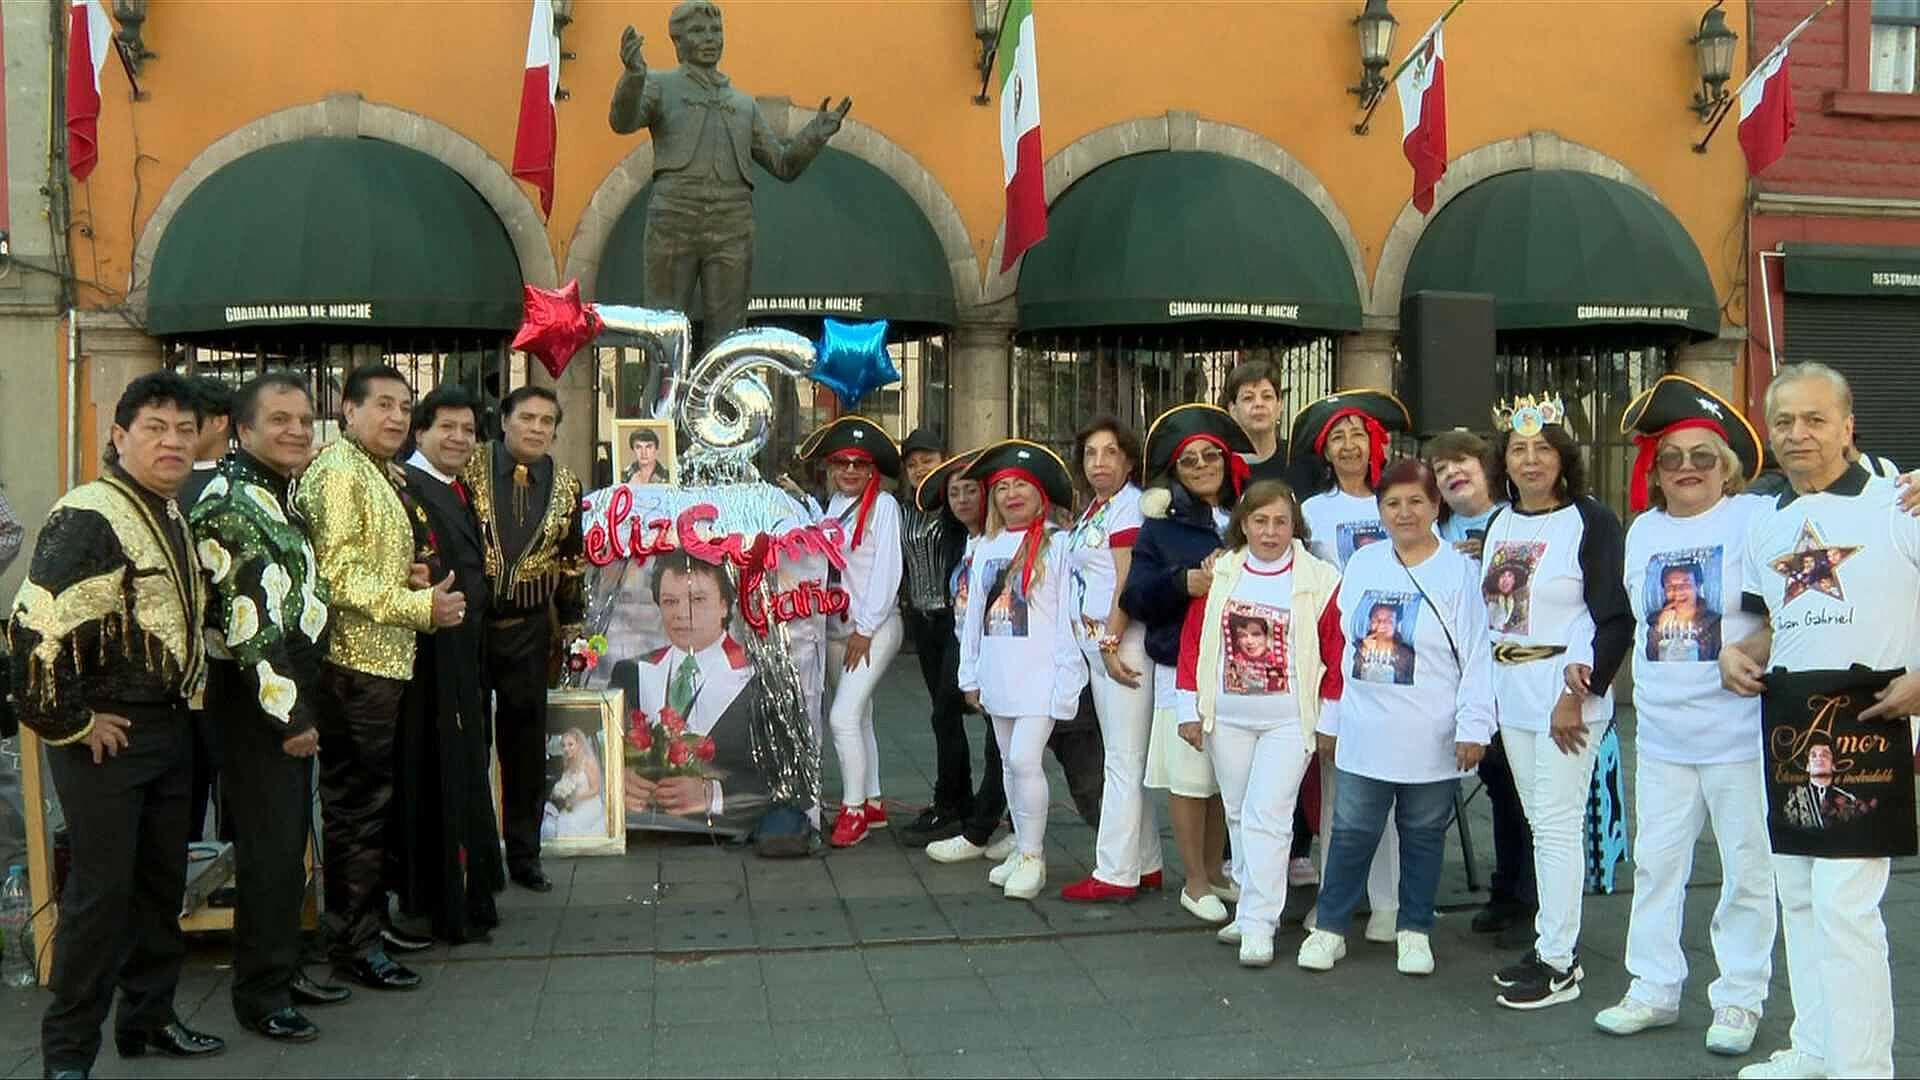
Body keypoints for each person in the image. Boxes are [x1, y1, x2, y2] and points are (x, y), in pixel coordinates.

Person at [7, 373, 224, 1074]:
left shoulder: (168, 510)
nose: (172, 441)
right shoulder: (89, 513)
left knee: (163, 885)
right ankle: (67, 1052)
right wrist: (71, 721)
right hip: (109, 733)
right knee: (100, 895)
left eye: (184, 429)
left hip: (168, 726)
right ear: (119, 435)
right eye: (155, 427)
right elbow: (33, 628)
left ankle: (148, 1019)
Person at [1721, 362, 1920, 1080]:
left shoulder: (1901, 502)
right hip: (1791, 727)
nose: (1798, 434)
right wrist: (1737, 656)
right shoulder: (1767, 522)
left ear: (1847, 424)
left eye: (1814, 419)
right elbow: (1780, 624)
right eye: (1784, 422)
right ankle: (1814, 1049)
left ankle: (1863, 1069)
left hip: (1873, 725)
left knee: (1844, 907)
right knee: (1800, 897)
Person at [1593, 375, 1777, 1053]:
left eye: (1703, 457)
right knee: (1657, 863)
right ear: (1656, 470)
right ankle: (1653, 987)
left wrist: (1749, 648)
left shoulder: (1754, 521)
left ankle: (1739, 998)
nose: (1689, 469)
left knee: (1748, 870)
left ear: (1726, 468)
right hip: (1665, 731)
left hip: (1737, 731)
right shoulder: (1643, 531)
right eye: (1674, 458)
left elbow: (1792, 616)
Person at [190, 373, 355, 1044]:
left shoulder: (272, 493)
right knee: (270, 850)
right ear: (243, 428)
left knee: (289, 848)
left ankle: (281, 970)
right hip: (260, 696)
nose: (296, 429)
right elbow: (249, 626)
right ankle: (260, 994)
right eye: (279, 419)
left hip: (287, 684)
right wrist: (290, 719)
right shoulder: (233, 503)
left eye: (304, 419)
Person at [296, 364, 465, 991]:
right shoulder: (340, 473)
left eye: (403, 406)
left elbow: (371, 560)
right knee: (356, 811)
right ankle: (352, 944)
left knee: (372, 807)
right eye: (383, 406)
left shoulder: (373, 470)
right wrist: (420, 606)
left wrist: (411, 577)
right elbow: (336, 578)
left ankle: (366, 923)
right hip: (352, 665)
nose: (395, 418)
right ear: (348, 409)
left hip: (382, 661)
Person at [1298, 459, 1494, 975]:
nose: (1404, 512)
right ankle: (1330, 927)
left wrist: (1474, 727)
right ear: (1379, 509)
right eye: (1392, 503)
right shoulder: (1363, 565)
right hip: (1367, 727)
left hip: (1431, 729)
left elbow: (1477, 655)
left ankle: (1414, 929)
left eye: (1416, 502)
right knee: (1352, 829)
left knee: (1424, 832)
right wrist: (1333, 718)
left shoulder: (1459, 571)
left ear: (1436, 506)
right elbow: (1344, 648)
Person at [1479, 393, 1633, 1011]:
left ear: (1564, 458)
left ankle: (1561, 962)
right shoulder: (1498, 524)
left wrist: (1584, 691)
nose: (1531, 458)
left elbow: (1612, 617)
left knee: (1559, 826)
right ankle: (1550, 942)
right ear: (1505, 463)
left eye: (1543, 447)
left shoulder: (1591, 522)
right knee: (1542, 823)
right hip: (1510, 694)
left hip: (1564, 698)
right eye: (1519, 449)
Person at [607, 0, 851, 341]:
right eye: (698, 30)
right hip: (674, 217)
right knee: (663, 330)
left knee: (729, 333)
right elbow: (622, 121)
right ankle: (661, 394)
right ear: (677, 43)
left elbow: (782, 165)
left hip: (732, 224)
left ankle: (719, 395)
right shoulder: (659, 86)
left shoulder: (742, 104)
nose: (710, 37)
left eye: (715, 30)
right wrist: (633, 76)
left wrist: (814, 135)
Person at [1173, 479, 1341, 966]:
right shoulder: (1221, 573)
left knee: (1269, 814)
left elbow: (1334, 649)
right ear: (1242, 524)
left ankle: (1260, 923)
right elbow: (1193, 642)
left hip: (1289, 720)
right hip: (1227, 718)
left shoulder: (1320, 578)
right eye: (1260, 521)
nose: (1270, 532)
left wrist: (1329, 717)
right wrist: (1190, 709)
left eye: (1280, 522)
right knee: (1239, 814)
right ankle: (1249, 905)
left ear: (1295, 526)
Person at [1123, 404, 1251, 924]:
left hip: (1241, 666)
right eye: (1189, 460)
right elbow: (1136, 596)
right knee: (1189, 776)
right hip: (1184, 662)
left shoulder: (1247, 515)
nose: (1201, 465)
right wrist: (1182, 582)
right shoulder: (1161, 528)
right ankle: (1193, 880)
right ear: (1175, 472)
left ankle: (1218, 873)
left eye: (1209, 456)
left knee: (1223, 776)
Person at [1292, 389, 1412, 939]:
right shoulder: (1312, 511)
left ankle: (1387, 901)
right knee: (1337, 784)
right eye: (1337, 438)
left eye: (1357, 436)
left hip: (1392, 650)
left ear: (1375, 445)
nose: (1348, 446)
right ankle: (1332, 896)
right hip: (1330, 653)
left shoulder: (1397, 502)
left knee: (1387, 775)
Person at [462, 385, 586, 893]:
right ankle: (474, 854)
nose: (537, 428)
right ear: (504, 420)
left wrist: (573, 627)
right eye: (527, 417)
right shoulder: (468, 472)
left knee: (526, 746)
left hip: (532, 631)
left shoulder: (567, 485)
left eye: (546, 421)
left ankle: (525, 854)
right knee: (470, 743)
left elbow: (571, 562)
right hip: (467, 629)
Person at [395, 384, 504, 945]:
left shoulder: (451, 487)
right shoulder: (407, 488)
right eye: (447, 428)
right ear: (421, 432)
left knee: (464, 770)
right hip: (429, 663)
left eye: (468, 430)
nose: (460, 439)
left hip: (463, 654)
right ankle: (440, 901)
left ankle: (466, 892)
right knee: (437, 776)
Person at [956, 440, 1087, 900]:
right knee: (1009, 766)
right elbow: (972, 618)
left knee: (1025, 761)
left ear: (1040, 494)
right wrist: (968, 674)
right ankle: (1021, 848)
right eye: (1003, 486)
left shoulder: (1060, 544)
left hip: (1040, 676)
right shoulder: (985, 546)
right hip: (999, 675)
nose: (1012, 494)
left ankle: (1034, 855)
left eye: (1022, 486)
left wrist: (1067, 681)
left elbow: (1071, 617)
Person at [1426, 430, 1535, 940]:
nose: (1452, 473)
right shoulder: (1431, 528)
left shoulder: (1513, 521)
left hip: (1513, 674)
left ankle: (1528, 899)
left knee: (1522, 792)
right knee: (1497, 788)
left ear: (1487, 466)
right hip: (1452, 676)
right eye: (1442, 468)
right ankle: (1506, 887)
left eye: (1461, 461)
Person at [1060, 417, 1165, 902]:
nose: (1099, 463)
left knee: (1121, 761)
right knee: (1126, 759)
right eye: (1090, 454)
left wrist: (1110, 641)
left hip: (1121, 644)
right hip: (1101, 642)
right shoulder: (1097, 509)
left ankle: (1114, 872)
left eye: (1109, 453)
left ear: (1127, 460)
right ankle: (1145, 863)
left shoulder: (1127, 509)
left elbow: (1126, 580)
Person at [799, 416, 905, 848]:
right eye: (841, 462)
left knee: (842, 717)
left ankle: (854, 810)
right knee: (859, 717)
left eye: (859, 464)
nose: (849, 471)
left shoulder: (883, 507)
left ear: (872, 470)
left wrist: (864, 629)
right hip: (834, 628)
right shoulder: (829, 508)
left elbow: (887, 573)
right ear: (829, 467)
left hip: (874, 628)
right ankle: (873, 800)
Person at [617, 551, 769, 827]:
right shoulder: (629, 673)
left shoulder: (761, 678)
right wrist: (616, 778)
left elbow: (788, 776)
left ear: (725, 604)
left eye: (698, 600)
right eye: (670, 602)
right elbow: (597, 755)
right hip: (646, 837)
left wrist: (714, 794)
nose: (682, 614)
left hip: (727, 846)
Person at [896, 428, 975, 846]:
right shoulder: (902, 511)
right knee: (943, 716)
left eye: (927, 459)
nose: (919, 468)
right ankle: (961, 803)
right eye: (912, 463)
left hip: (953, 620)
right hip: (922, 623)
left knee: (946, 711)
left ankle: (949, 805)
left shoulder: (957, 508)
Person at [181, 376, 234, 847]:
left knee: (235, 789)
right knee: (185, 791)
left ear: (218, 421)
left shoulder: (239, 481)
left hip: (235, 659)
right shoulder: (160, 479)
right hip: (179, 667)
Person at [541, 729, 606, 839]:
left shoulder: (589, 762)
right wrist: (560, 793)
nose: (566, 749)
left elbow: (596, 788)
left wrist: (577, 797)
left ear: (579, 744)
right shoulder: (568, 764)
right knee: (561, 820)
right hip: (574, 805)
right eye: (563, 745)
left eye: (570, 744)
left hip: (590, 804)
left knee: (570, 823)